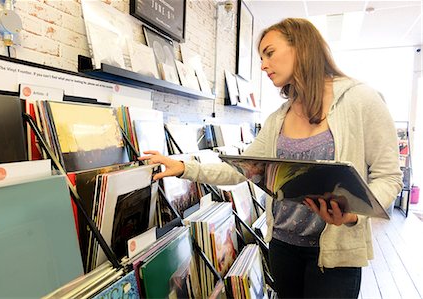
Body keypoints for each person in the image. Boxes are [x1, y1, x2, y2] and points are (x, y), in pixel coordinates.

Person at [139, 18, 403, 298]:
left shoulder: (361, 99)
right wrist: (183, 168)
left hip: (335, 259)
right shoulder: (279, 117)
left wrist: (353, 214)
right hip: (282, 248)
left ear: (301, 48)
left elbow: (388, 176)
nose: (263, 65)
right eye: (261, 57)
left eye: (269, 53)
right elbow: (243, 170)